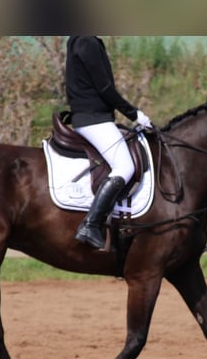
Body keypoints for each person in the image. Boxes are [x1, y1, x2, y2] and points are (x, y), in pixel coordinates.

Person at [65, 36, 153, 249]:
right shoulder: (88, 42)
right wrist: (134, 114)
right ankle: (91, 224)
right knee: (125, 166)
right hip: (93, 118)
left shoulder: (78, 39)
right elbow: (104, 88)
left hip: (91, 116)